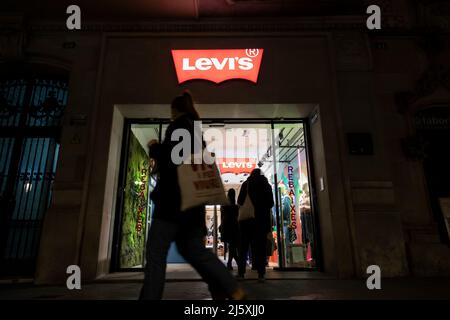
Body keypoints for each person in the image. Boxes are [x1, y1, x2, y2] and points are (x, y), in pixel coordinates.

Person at [139, 92, 245, 300]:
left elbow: (174, 159)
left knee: (156, 253)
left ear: (176, 109)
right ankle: (229, 287)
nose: (170, 114)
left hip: (173, 203)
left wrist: (154, 148)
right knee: (194, 251)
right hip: (189, 205)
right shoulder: (195, 130)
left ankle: (229, 286)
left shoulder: (182, 127)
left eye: (172, 110)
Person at [237, 168, 274, 282]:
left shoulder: (246, 184)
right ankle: (261, 274)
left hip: (247, 221)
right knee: (260, 248)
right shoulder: (266, 185)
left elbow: (239, 201)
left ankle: (241, 273)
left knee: (243, 247)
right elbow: (271, 203)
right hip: (261, 221)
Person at [220, 189, 240, 270]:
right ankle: (235, 263)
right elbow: (237, 217)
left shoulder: (224, 206)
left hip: (226, 226)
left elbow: (222, 217)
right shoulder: (236, 207)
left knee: (232, 246)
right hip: (234, 226)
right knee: (232, 246)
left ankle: (231, 263)